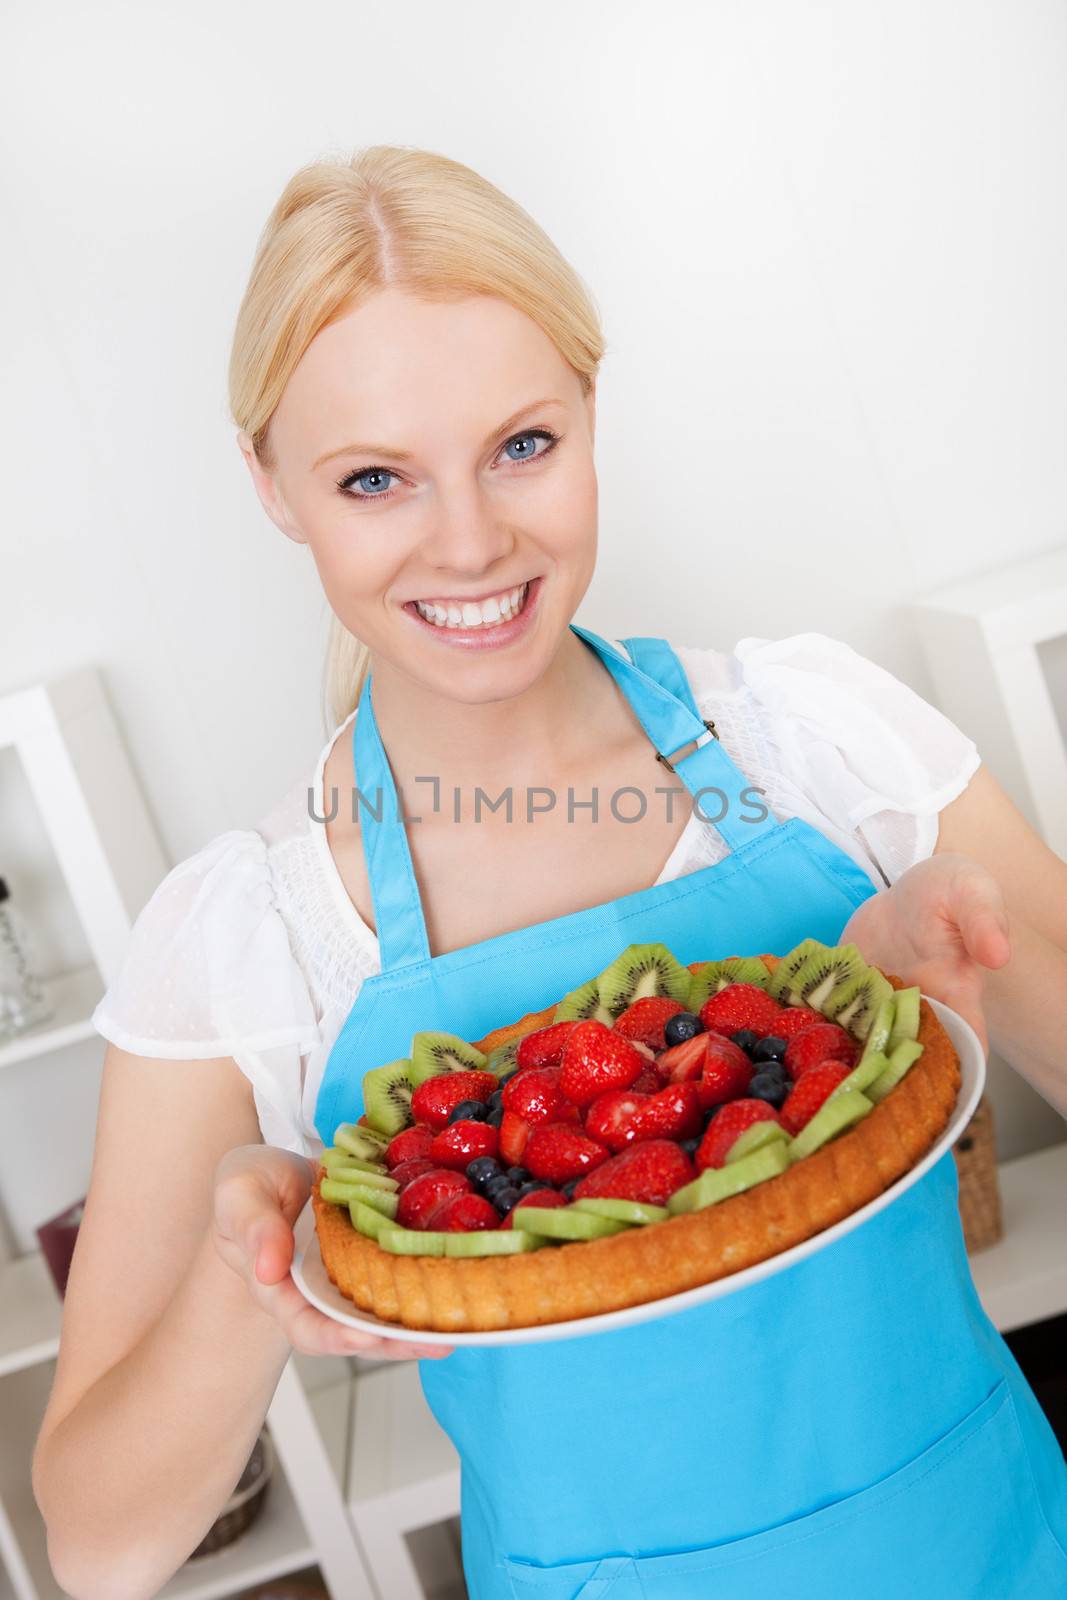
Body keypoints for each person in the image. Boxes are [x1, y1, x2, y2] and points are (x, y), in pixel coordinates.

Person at [31, 145, 1067, 1599]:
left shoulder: (815, 741)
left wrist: (933, 1002)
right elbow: (97, 1548)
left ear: (592, 410)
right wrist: (249, 1263)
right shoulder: (249, 938)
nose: (470, 540)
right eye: (375, 477)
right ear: (270, 484)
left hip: (999, 1549)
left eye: (523, 445)